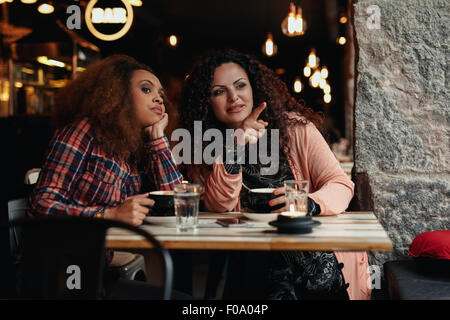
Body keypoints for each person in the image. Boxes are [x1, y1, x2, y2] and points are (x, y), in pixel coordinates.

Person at [179, 49, 370, 300]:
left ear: (254, 88)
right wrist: (236, 145)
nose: (233, 97)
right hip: (255, 262)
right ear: (207, 102)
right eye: (219, 91)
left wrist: (309, 204)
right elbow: (220, 204)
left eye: (240, 86)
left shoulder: (295, 129)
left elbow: (341, 184)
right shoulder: (206, 147)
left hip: (313, 257)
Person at [27, 54, 186, 299]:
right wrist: (108, 215)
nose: (159, 98)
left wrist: (157, 139)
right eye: (146, 89)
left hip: (98, 272)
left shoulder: (134, 147)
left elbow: (176, 201)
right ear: (117, 94)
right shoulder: (82, 132)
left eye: (161, 95)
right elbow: (41, 207)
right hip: (61, 276)